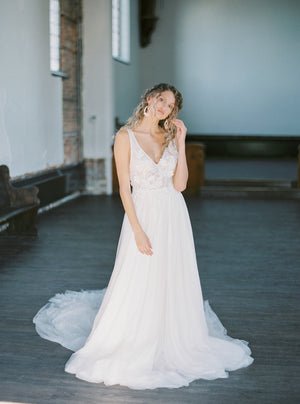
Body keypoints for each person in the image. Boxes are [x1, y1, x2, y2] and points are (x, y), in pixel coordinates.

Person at [33, 83, 254, 390]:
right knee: (139, 275)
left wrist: (182, 140)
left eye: (171, 104)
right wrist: (137, 230)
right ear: (150, 98)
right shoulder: (125, 137)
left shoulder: (169, 136)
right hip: (143, 214)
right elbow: (125, 188)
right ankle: (136, 335)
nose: (165, 107)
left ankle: (173, 333)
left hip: (174, 214)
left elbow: (179, 185)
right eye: (161, 99)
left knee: (171, 274)